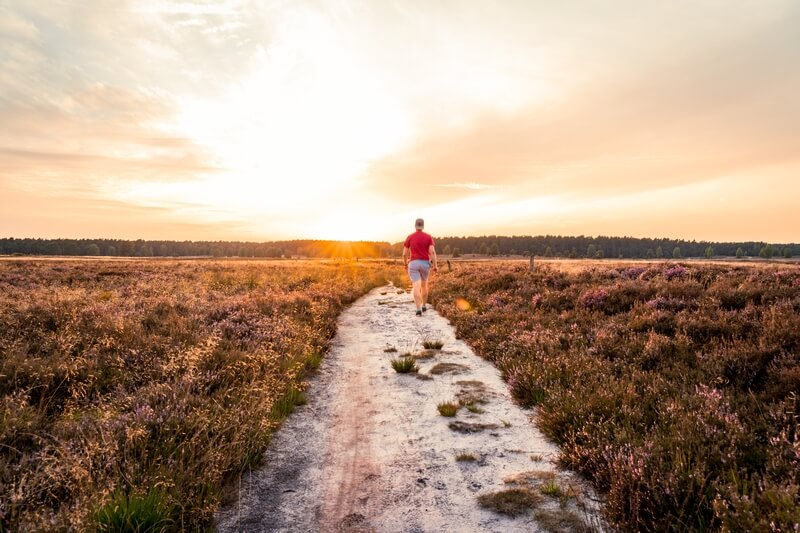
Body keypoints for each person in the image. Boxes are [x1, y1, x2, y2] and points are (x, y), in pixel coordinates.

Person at [403, 218, 438, 316]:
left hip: (413, 264)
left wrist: (405, 264)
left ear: (415, 226)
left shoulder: (410, 237)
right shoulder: (428, 237)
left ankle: (418, 309)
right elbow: (432, 252)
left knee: (416, 287)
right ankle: (424, 306)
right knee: (424, 286)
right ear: (423, 226)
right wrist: (435, 265)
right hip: (425, 264)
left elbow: (405, 254)